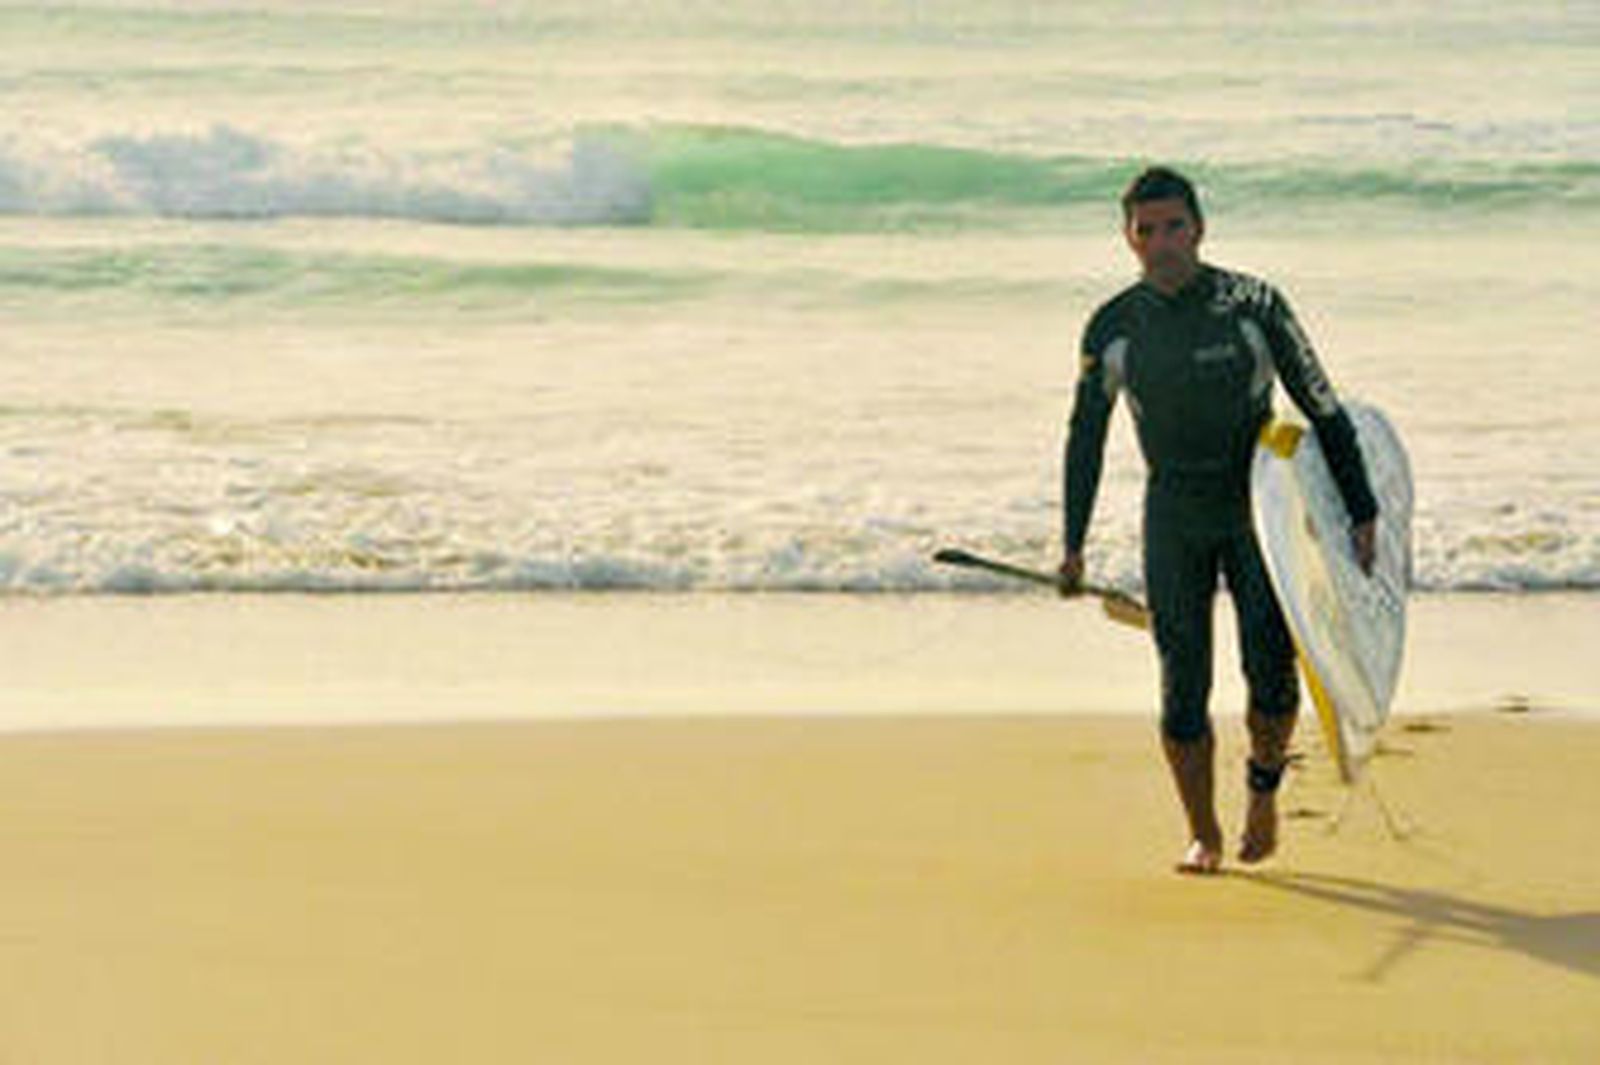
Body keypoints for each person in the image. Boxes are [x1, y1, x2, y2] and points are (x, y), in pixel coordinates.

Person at [1060, 166, 1378, 875]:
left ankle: (1262, 793)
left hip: (1255, 511)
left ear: (1199, 229)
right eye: (1147, 230)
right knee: (1182, 681)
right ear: (1128, 238)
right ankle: (1203, 832)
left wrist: (1362, 509)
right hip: (1172, 511)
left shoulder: (1255, 305)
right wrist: (1072, 544)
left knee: (1269, 676)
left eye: (1175, 226)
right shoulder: (1113, 326)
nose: (1163, 242)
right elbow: (1084, 437)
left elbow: (1323, 407)